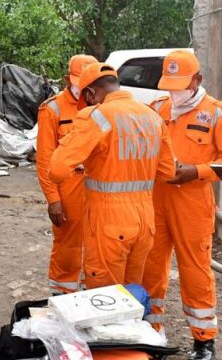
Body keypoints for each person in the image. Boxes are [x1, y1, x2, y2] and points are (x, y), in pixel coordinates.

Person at [141, 51, 222, 360]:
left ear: (197, 80)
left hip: (193, 203)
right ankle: (152, 332)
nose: (175, 92)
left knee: (195, 271)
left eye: (180, 85)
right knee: (151, 268)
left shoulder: (216, 114)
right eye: (170, 86)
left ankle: (203, 340)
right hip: (156, 200)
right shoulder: (156, 108)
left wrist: (195, 171)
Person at [49, 62, 174, 290]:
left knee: (106, 300)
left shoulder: (95, 116)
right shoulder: (152, 116)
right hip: (145, 221)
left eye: (87, 99)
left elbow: (56, 170)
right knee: (131, 294)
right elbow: (167, 172)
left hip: (109, 223)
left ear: (90, 92)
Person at [36, 54, 96, 294]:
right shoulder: (53, 109)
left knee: (96, 245)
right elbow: (44, 160)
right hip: (69, 188)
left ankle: (89, 294)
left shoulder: (100, 106)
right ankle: (62, 296)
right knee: (67, 247)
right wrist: (53, 200)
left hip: (98, 189)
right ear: (67, 78)